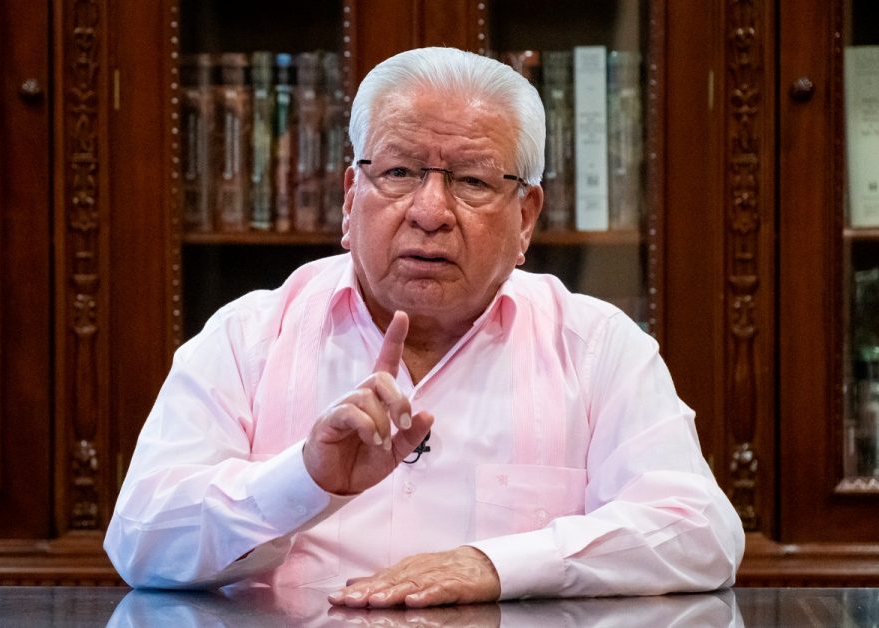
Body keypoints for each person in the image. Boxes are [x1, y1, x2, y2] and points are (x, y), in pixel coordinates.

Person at [104, 46, 744, 607]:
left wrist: (494, 565)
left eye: (471, 181)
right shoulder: (248, 338)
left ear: (526, 217)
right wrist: (304, 479)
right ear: (351, 198)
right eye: (399, 173)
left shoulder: (595, 347)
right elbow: (140, 543)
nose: (430, 212)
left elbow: (699, 533)